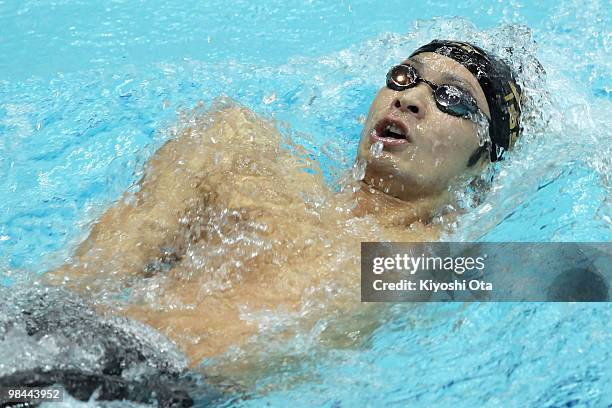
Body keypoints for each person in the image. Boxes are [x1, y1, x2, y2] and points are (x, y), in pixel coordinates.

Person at [45, 40, 523, 367]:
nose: (412, 98)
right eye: (403, 77)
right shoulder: (237, 151)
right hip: (47, 333)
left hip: (150, 387)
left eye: (452, 99)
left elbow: (581, 273)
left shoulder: (424, 260)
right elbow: (87, 277)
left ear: (481, 161)